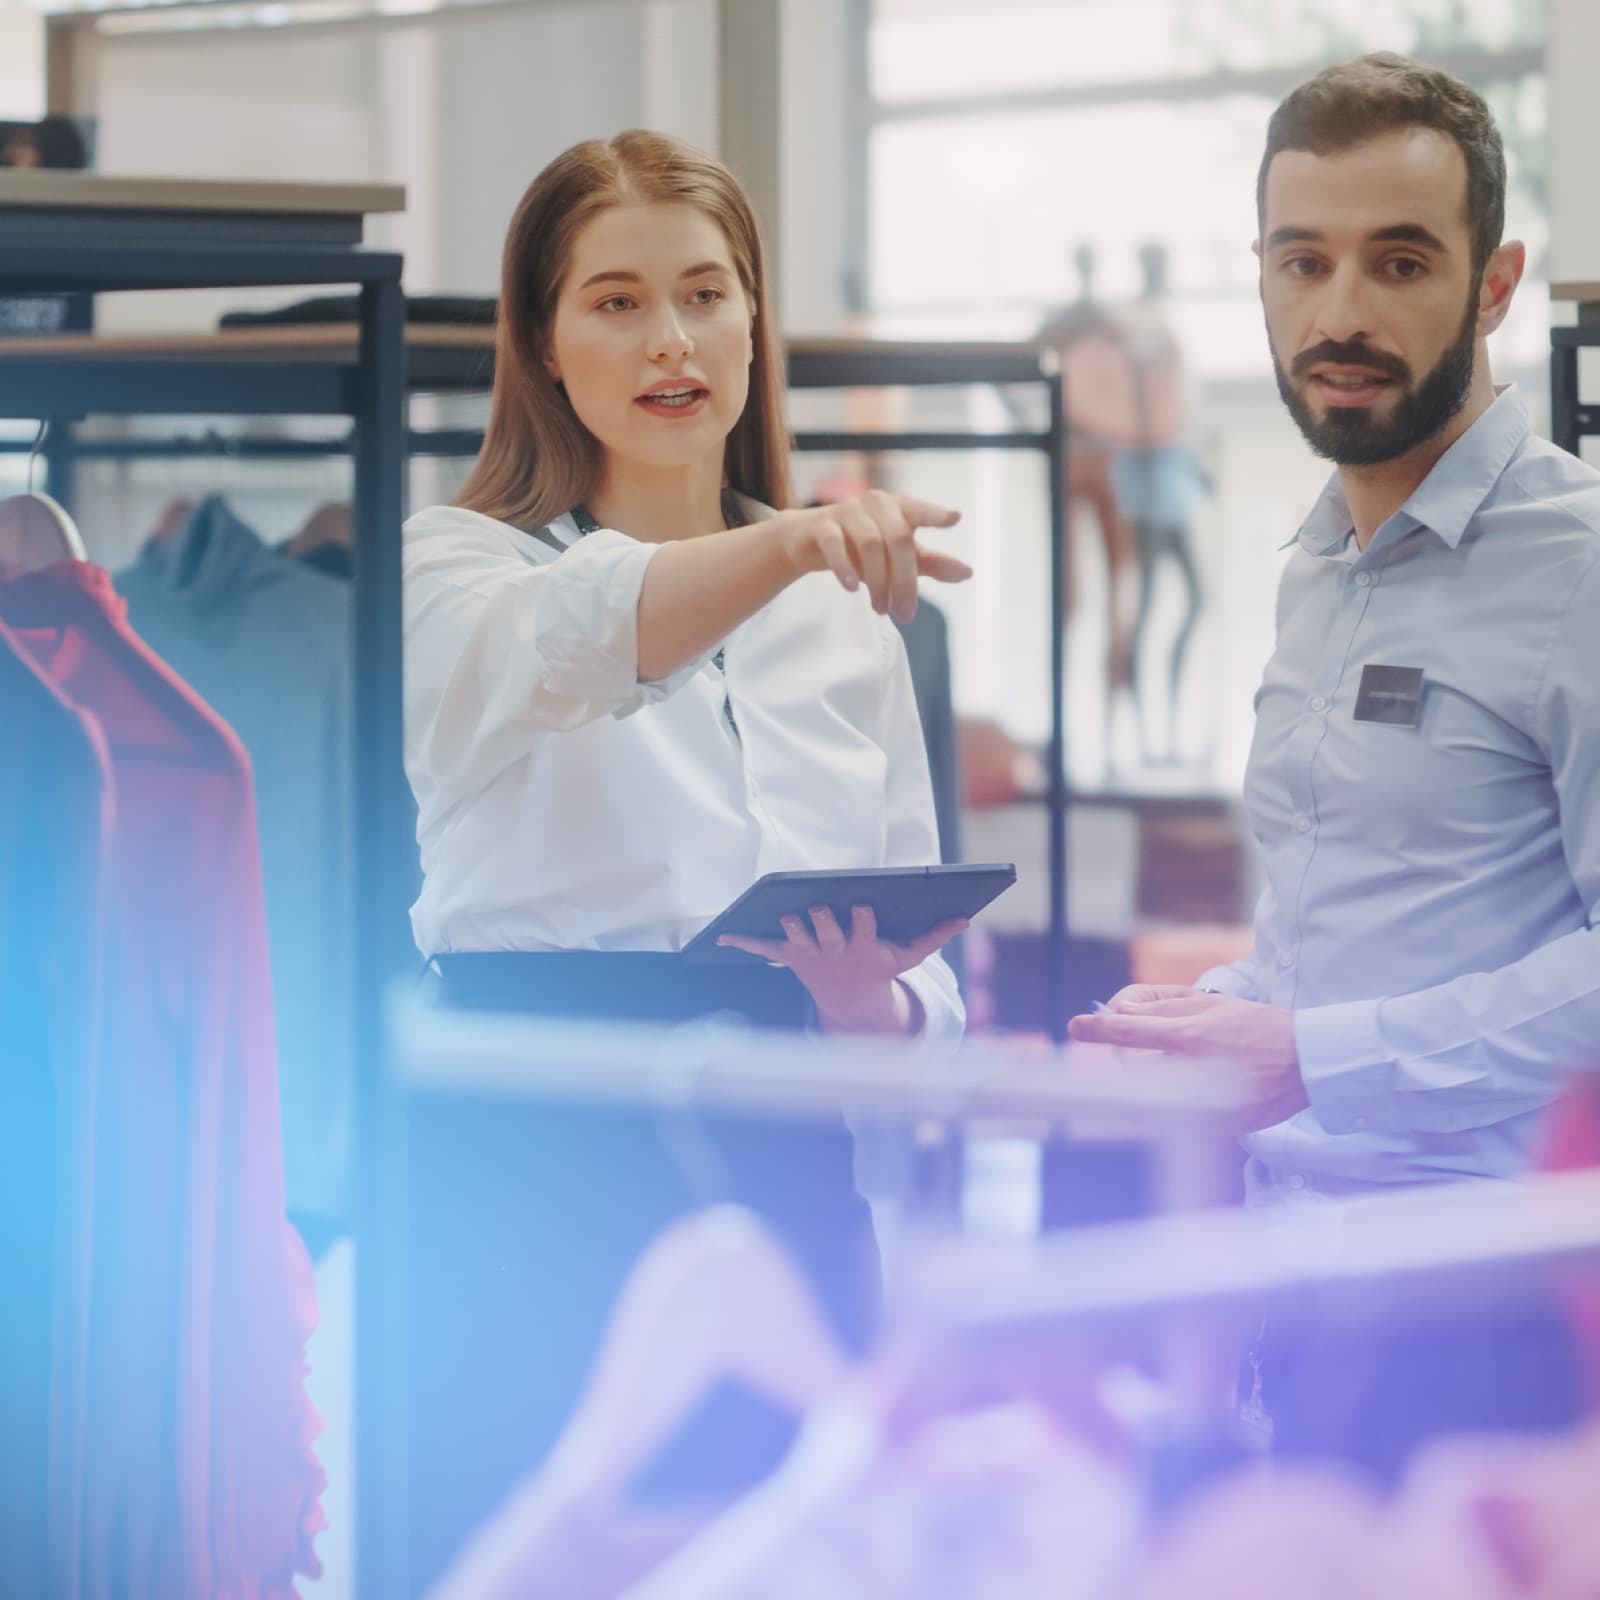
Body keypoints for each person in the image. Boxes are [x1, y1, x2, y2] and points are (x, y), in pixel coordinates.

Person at [399, 129, 971, 1586]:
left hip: (792, 1149)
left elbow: (929, 982)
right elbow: (591, 635)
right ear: (540, 340)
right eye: (616, 300)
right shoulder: (457, 570)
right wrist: (789, 546)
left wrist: (876, 1009)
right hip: (538, 1153)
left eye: (709, 294)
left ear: (755, 319)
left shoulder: (847, 613)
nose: (673, 341)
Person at [1070, 55, 1599, 1476]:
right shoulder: (1321, 561)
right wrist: (1204, 1023)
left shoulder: (1582, 567)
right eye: (1303, 262)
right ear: (1260, 275)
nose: (1342, 313)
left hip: (1482, 1306)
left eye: (1401, 261)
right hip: (1275, 1279)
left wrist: (1306, 1057)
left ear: (1494, 283)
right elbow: (1353, 930)